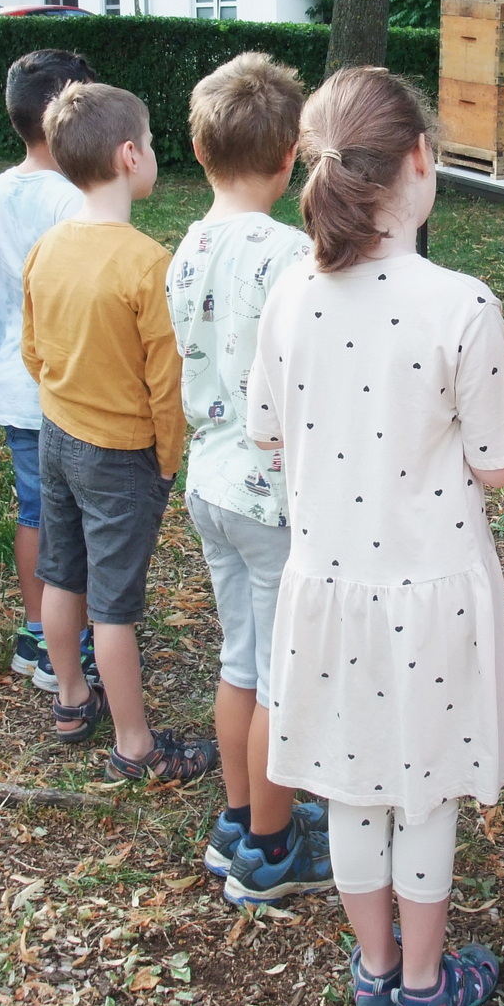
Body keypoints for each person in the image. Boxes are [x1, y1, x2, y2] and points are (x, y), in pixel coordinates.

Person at [247, 66, 504, 1006]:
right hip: (431, 590)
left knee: (355, 782)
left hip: (329, 582)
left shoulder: (288, 296)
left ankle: (372, 971)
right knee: (425, 792)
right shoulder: (462, 303)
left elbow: (265, 429)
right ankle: (420, 981)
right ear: (420, 160)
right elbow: (496, 464)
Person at [164, 53, 327, 906]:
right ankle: (270, 846)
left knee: (240, 660)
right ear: (293, 153)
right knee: (278, 676)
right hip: (271, 492)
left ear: (196, 146)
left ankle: (240, 814)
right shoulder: (295, 255)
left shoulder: (186, 244)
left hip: (211, 479)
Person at [22, 81, 213, 777]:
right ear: (130, 156)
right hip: (121, 453)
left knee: (60, 570)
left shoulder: (48, 247)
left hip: (56, 433)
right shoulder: (146, 262)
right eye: (155, 144)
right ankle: (136, 744)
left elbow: (32, 348)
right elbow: (167, 384)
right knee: (115, 606)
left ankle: (71, 696)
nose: (156, 155)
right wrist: (167, 457)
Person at [0, 48, 93, 683]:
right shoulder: (70, 200)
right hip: (59, 384)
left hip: (17, 380)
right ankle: (62, 641)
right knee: (66, 521)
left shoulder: (1, 186)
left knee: (35, 512)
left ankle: (37, 628)